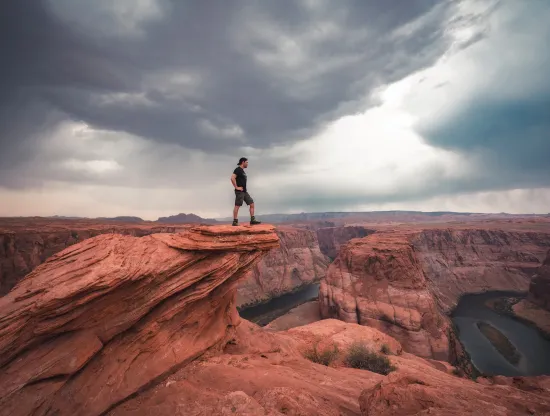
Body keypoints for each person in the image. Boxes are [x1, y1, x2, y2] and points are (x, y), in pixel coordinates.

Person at [231, 157, 261, 226]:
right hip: (240, 192)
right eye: (247, 162)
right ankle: (235, 221)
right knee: (237, 205)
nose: (247, 164)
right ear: (243, 162)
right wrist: (236, 187)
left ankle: (252, 220)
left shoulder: (242, 171)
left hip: (244, 191)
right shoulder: (238, 170)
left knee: (252, 204)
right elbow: (232, 178)